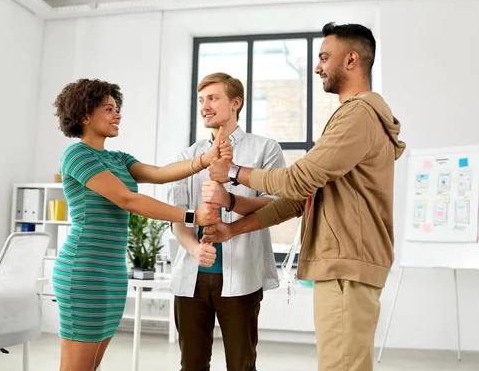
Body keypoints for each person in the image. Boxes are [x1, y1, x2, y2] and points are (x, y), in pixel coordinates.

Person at [203, 23, 407, 371]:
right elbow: (300, 200)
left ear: (352, 60)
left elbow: (298, 180)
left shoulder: (358, 115)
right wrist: (233, 224)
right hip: (344, 263)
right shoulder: (352, 117)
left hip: (347, 262)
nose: (317, 67)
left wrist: (234, 173)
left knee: (341, 366)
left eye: (325, 58)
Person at [50, 78, 231, 371]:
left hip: (111, 273)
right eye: (108, 109)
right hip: (84, 272)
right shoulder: (76, 154)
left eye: (116, 108)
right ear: (85, 114)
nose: (117, 114)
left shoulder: (118, 158)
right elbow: (127, 200)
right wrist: (191, 217)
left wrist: (205, 159)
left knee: (91, 366)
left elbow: (160, 173)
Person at [167, 72, 286, 371]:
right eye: (201, 100)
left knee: (241, 365)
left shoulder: (265, 149)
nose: (205, 106)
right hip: (192, 278)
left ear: (236, 102)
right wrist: (194, 248)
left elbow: (277, 204)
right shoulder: (190, 155)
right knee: (191, 365)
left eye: (213, 98)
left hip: (242, 275)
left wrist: (229, 200)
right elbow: (175, 217)